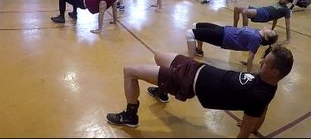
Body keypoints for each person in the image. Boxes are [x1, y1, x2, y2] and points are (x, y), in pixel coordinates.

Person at [105, 45, 294, 137]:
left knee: (129, 71)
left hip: (187, 81)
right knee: (158, 55)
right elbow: (264, 110)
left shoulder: (259, 95)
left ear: (275, 71)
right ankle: (163, 91)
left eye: (265, 62)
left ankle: (130, 116)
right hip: (196, 67)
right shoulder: (268, 83)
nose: (261, 62)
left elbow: (246, 128)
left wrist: (249, 128)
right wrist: (256, 128)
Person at [186, 22, 278, 72]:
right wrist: (246, 62)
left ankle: (190, 65)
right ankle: (199, 50)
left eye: (271, 31)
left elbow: (251, 56)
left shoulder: (256, 39)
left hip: (222, 38)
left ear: (266, 37)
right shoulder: (257, 32)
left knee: (189, 34)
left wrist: (249, 73)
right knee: (196, 25)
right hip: (223, 29)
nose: (270, 28)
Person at [50, 0, 118, 34]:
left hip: (81, 2)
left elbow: (101, 15)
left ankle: (61, 17)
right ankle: (74, 13)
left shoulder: (103, 1)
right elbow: (114, 10)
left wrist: (99, 30)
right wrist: (114, 21)